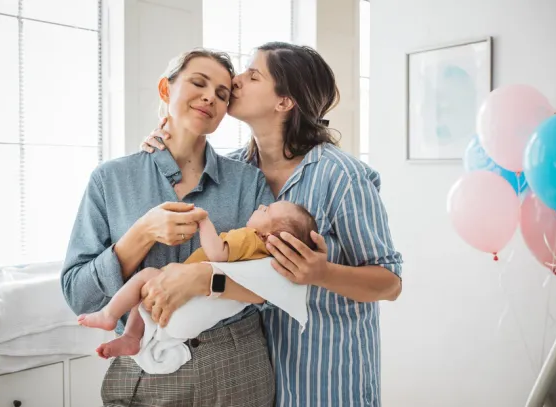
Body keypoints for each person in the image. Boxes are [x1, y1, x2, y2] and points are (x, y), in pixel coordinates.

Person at [141, 42, 403, 407]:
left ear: (284, 102)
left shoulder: (342, 177)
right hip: (252, 378)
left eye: (253, 74)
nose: (236, 80)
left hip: (328, 379)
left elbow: (390, 284)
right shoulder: (233, 172)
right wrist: (161, 142)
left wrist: (321, 272)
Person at [61, 49, 277, 407]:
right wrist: (141, 233)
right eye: (198, 82)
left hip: (237, 369)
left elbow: (272, 286)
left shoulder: (248, 182)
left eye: (223, 94)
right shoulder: (110, 180)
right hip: (144, 371)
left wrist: (206, 281)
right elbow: (79, 296)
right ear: (166, 89)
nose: (211, 96)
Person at [77, 201, 318, 360]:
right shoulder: (263, 257)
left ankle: (111, 316)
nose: (262, 206)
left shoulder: (250, 238)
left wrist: (204, 223)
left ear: (269, 236)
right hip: (199, 301)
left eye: (268, 211)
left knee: (145, 276)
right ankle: (131, 338)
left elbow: (218, 254)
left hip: (190, 291)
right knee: (144, 293)